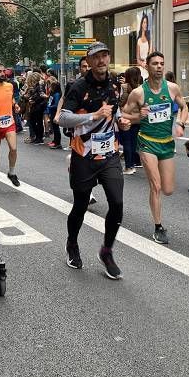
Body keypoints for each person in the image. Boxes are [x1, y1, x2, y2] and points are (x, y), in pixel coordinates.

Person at [58, 42, 124, 279]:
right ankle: (72, 244)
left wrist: (120, 120)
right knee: (80, 205)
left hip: (109, 153)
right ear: (90, 60)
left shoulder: (116, 83)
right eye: (96, 57)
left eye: (105, 55)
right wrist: (93, 116)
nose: (101, 60)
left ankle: (106, 251)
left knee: (117, 203)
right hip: (84, 154)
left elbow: (114, 111)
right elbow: (63, 118)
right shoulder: (78, 86)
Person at [119, 52, 188, 244]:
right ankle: (158, 227)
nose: (159, 67)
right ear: (147, 67)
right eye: (155, 63)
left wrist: (181, 123)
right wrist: (137, 117)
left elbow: (184, 107)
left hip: (166, 142)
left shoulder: (172, 88)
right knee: (156, 186)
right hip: (146, 141)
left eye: (161, 64)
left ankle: (158, 220)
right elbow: (125, 115)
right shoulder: (139, 93)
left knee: (168, 189)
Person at [117, 67, 143, 174]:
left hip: (126, 118)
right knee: (134, 142)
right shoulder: (142, 88)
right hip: (138, 119)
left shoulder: (124, 87)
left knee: (127, 142)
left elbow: (120, 102)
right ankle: (136, 162)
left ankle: (129, 166)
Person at [46, 73, 63, 149]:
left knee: (56, 128)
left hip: (54, 111)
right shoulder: (53, 93)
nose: (49, 86)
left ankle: (57, 142)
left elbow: (56, 104)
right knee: (54, 127)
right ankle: (55, 141)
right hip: (52, 111)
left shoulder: (56, 94)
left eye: (50, 84)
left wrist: (49, 106)